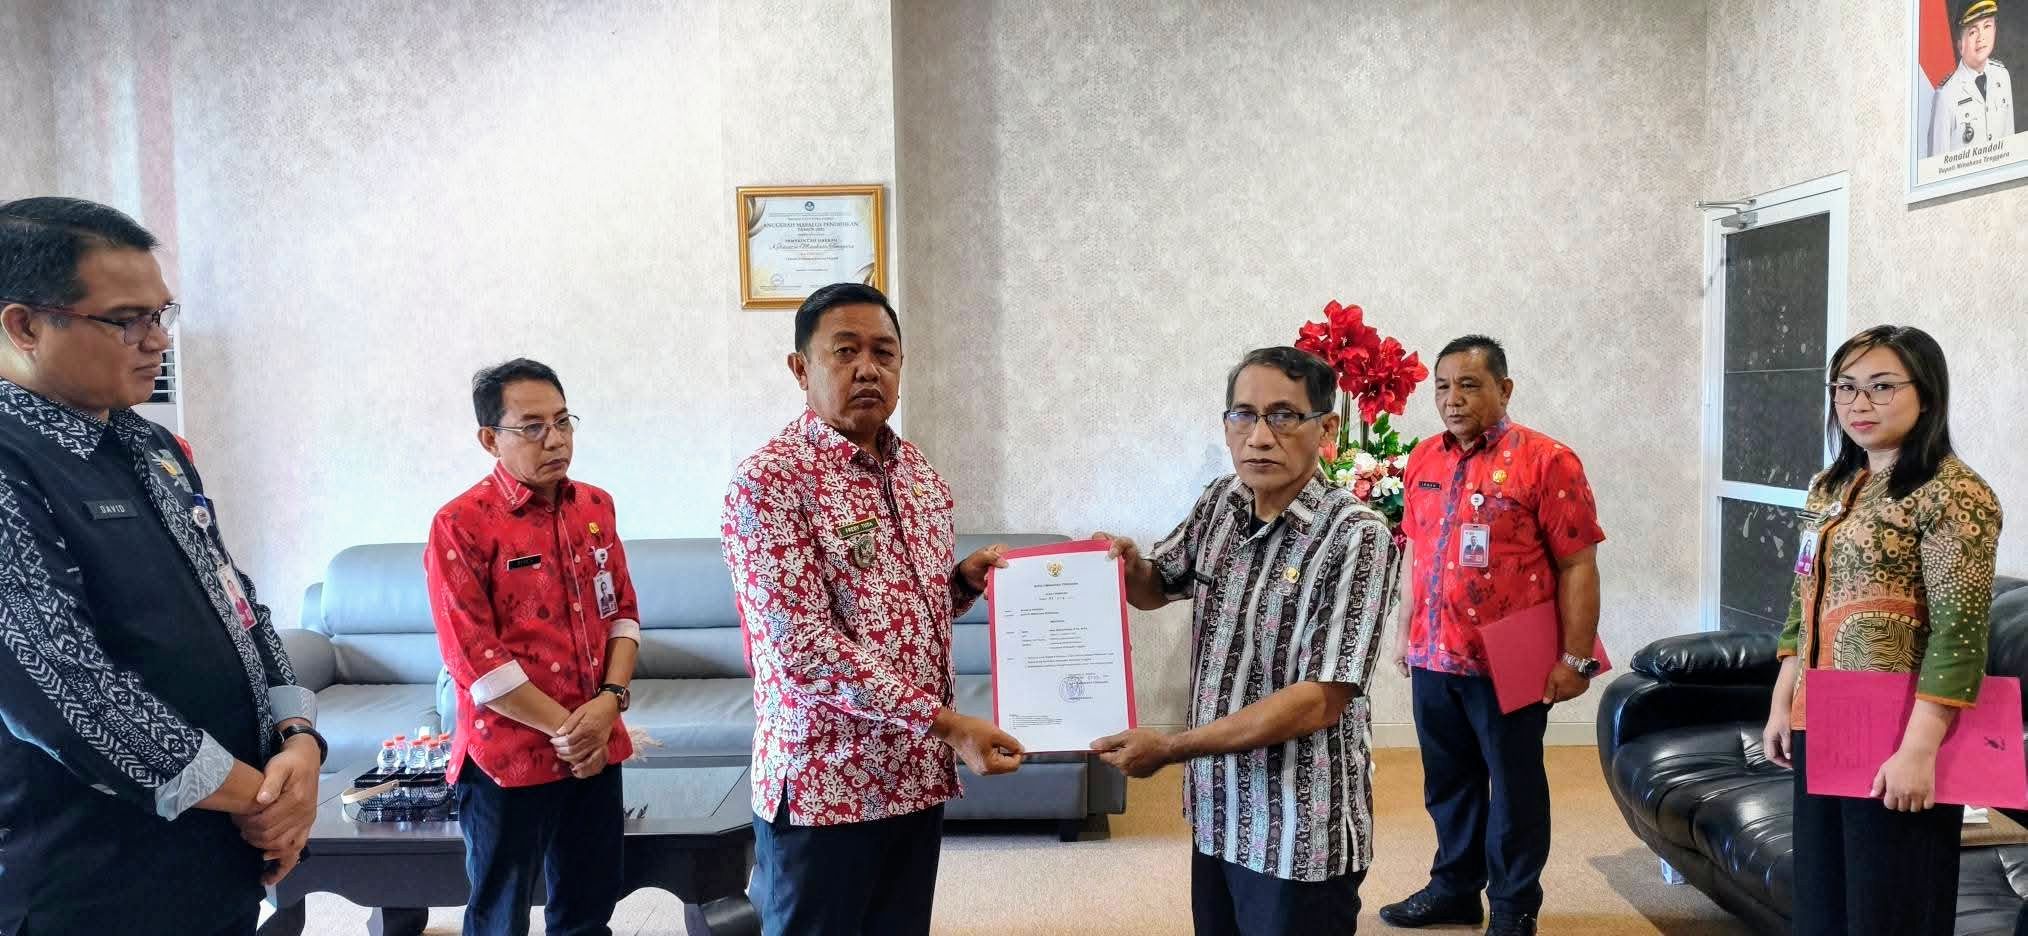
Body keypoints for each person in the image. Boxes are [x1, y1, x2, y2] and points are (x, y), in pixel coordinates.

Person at [0, 196, 325, 935]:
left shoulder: (150, 445)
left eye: (160, 314)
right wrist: (263, 798)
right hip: (92, 882)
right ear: (24, 325)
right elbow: (67, 690)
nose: (157, 341)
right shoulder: (12, 460)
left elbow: (239, 607)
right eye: (126, 320)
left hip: (215, 857)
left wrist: (301, 742)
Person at [720, 282, 1024, 935]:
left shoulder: (918, 476)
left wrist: (960, 584)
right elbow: (803, 650)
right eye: (845, 351)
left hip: (913, 776)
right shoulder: (768, 483)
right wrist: (948, 725)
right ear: (801, 368)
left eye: (884, 352)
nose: (868, 368)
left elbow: (892, 613)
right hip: (826, 784)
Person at [1088, 346, 1395, 936]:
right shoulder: (1220, 503)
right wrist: (1126, 569)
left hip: (1298, 826)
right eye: (1243, 415)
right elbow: (1156, 586)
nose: (1259, 436)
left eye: (1283, 416)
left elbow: (1320, 699)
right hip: (1217, 809)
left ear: (1327, 430)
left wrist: (1171, 748)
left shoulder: (1357, 535)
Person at [1762, 325, 2002, 936]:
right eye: (1845, 388)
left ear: (1927, 395)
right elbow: (1802, 599)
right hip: (1823, 713)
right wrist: (1783, 701)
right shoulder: (1832, 486)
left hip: (1898, 724)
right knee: (1823, 903)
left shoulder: (1954, 493)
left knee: (1890, 906)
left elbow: (1959, 633)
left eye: (1881, 387)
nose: (1858, 404)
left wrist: (1919, 749)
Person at [1378, 335, 1605, 936]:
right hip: (1434, 654)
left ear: (1504, 389)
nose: (1452, 399)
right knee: (1448, 783)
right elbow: (1415, 553)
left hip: (1511, 658)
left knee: (1513, 787)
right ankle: (1454, 889)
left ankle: (1513, 906)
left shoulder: (1548, 460)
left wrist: (1576, 659)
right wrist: (1405, 633)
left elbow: (1578, 565)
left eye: (1469, 385)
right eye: (1443, 387)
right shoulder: (1423, 458)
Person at [425, 358, 641, 936]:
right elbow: (475, 660)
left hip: (595, 741)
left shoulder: (595, 506)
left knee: (589, 908)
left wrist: (609, 702)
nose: (556, 439)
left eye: (563, 421)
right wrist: (572, 730)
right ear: (489, 439)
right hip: (508, 756)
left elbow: (622, 612)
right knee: (501, 916)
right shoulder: (461, 524)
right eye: (533, 427)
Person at [1929, 0, 2014, 157]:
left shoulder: (2002, 76)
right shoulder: (1946, 95)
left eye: (1987, 26)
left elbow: (2009, 143)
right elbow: (1936, 164)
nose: (1981, 37)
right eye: (1972, 32)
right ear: (1960, 45)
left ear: (1995, 29)